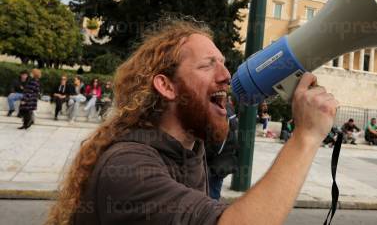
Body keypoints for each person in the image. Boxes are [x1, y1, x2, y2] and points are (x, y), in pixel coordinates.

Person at [47, 20, 338, 225]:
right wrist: (306, 136)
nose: (226, 75)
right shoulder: (128, 167)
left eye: (223, 62)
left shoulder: (190, 150)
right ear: (167, 86)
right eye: (208, 64)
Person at [206, 95, 239, 200]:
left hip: (215, 161)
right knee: (215, 190)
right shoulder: (231, 114)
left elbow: (218, 143)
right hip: (224, 161)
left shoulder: (223, 114)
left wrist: (206, 154)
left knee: (210, 193)